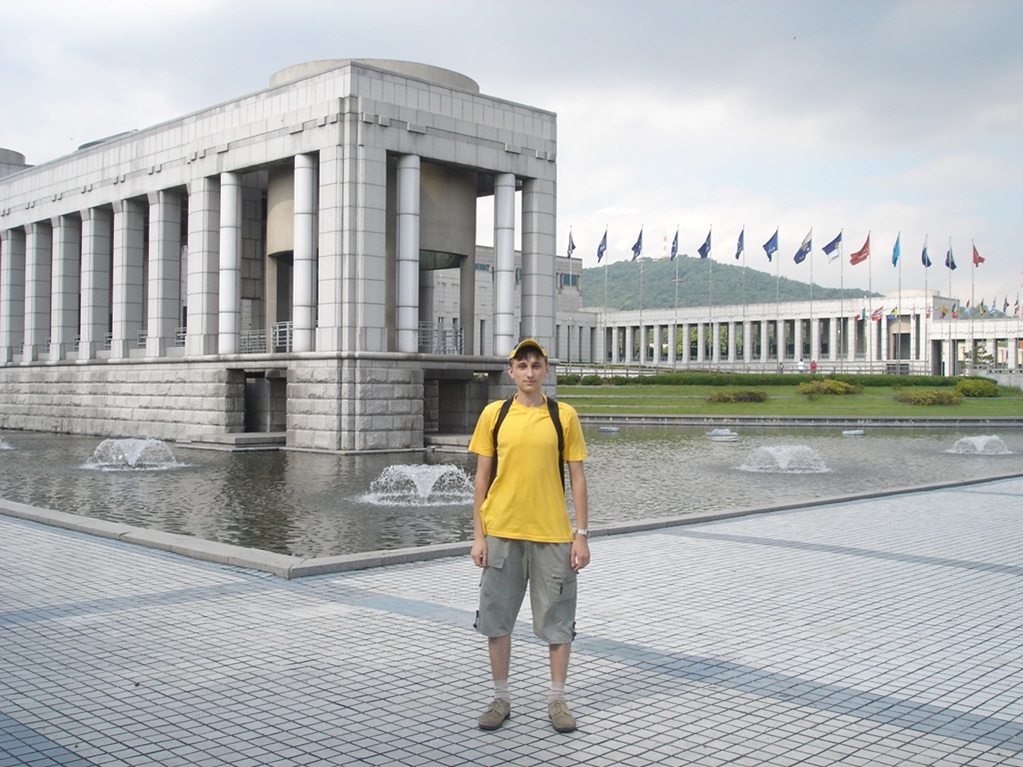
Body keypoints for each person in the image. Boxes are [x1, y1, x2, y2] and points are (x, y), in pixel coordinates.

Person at [468, 339, 590, 733]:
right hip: (501, 532)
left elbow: (578, 477)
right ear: (511, 372)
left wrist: (581, 535)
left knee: (558, 620)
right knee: (497, 619)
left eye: (536, 365)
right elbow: (482, 479)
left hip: (553, 534)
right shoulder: (494, 414)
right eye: (522, 365)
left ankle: (557, 700)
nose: (529, 372)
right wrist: (479, 536)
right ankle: (500, 697)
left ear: (547, 371)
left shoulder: (563, 416)